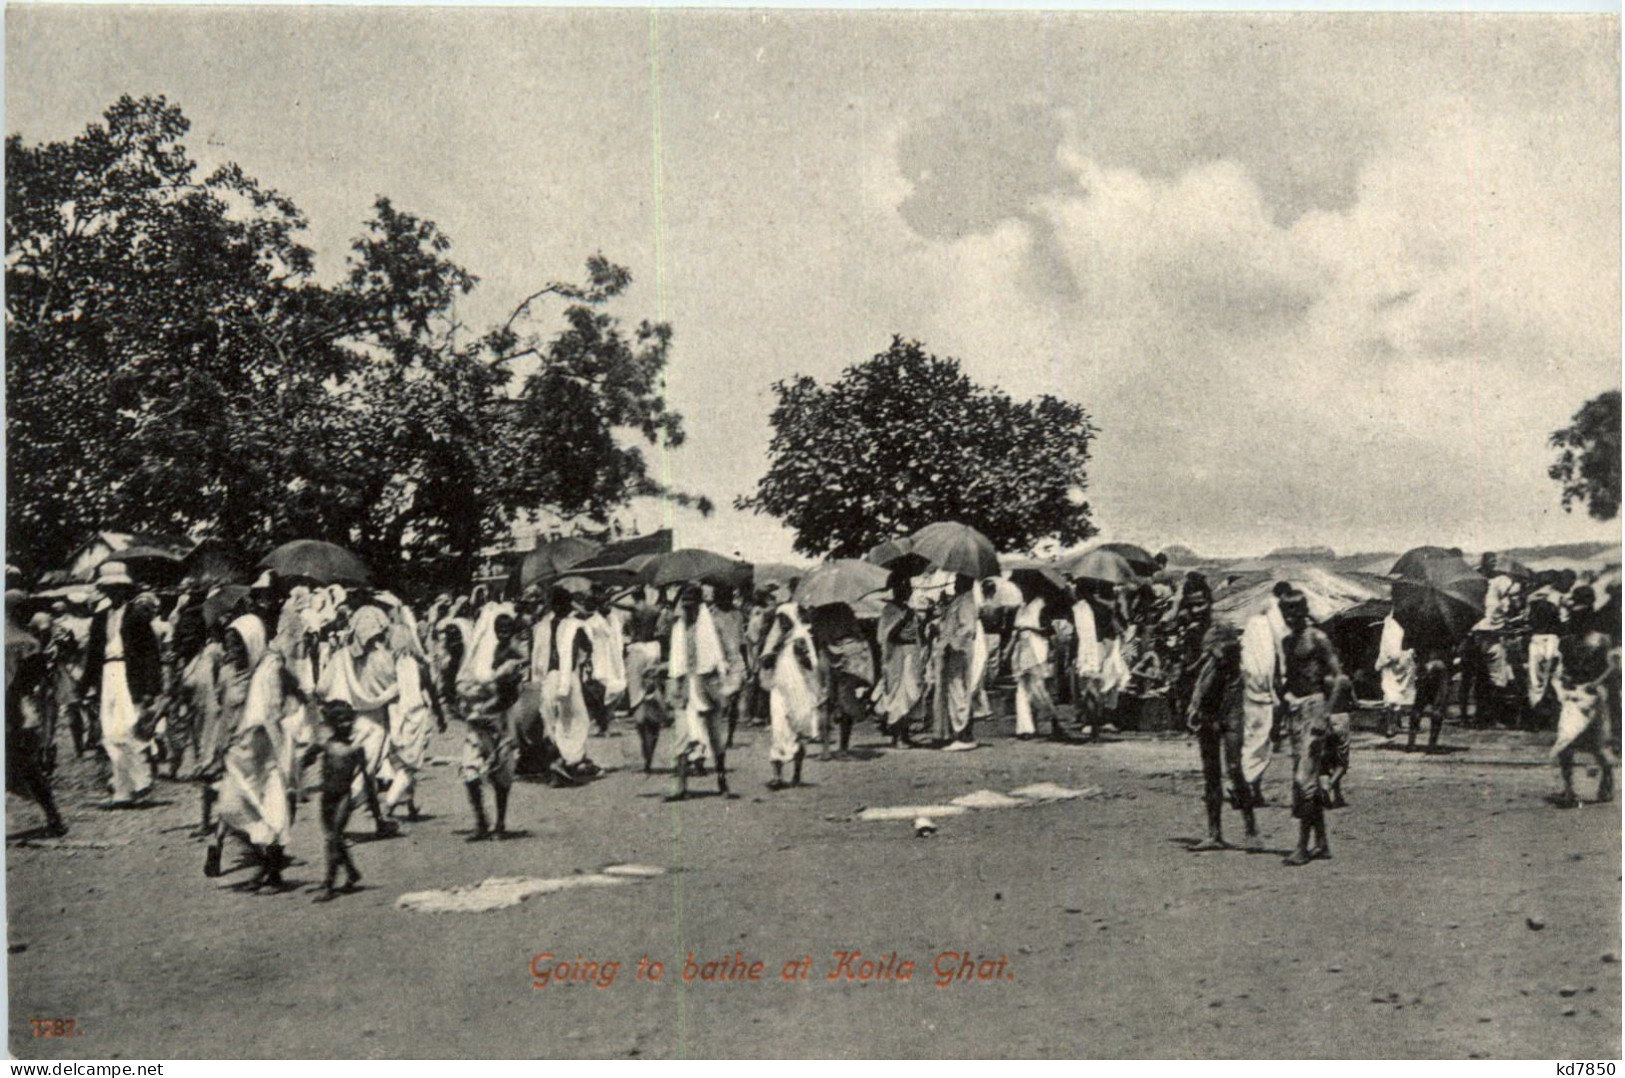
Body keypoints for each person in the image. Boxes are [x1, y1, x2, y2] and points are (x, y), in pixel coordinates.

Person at [81, 561, 163, 805]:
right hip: (108, 674)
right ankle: (122, 789)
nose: (114, 592)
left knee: (130, 727)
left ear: (125, 589)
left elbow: (150, 654)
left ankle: (141, 780)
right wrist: (85, 686)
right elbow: (93, 655)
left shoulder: (137, 617)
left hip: (130, 675)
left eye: (118, 587)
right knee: (109, 732)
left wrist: (151, 688)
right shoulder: (99, 618)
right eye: (110, 588)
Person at [316, 605, 401, 837]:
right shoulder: (381, 657)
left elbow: (322, 687)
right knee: (364, 774)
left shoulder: (341, 657)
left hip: (348, 721)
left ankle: (379, 821)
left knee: (360, 774)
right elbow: (395, 689)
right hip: (374, 722)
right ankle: (337, 825)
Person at [1277, 590, 1344, 867]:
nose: (1290, 616)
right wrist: (1284, 703)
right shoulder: (1287, 641)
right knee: (1308, 780)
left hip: (1315, 708)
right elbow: (1287, 681)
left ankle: (1302, 847)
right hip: (1295, 711)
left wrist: (1325, 715)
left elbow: (1339, 678)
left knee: (1303, 780)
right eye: (1286, 610)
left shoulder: (1317, 638)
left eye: (1295, 609)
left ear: (1304, 610)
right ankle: (1322, 843)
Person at [456, 603, 525, 839]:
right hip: (479, 722)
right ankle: (481, 821)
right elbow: (464, 684)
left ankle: (500, 823)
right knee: (469, 772)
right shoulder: (482, 656)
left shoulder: (514, 655)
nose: (502, 631)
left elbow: (511, 692)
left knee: (501, 776)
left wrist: (488, 694)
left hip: (499, 720)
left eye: (506, 627)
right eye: (498, 627)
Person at [1184, 622, 1254, 849]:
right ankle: (1215, 833)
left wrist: (1213, 649)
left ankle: (1250, 827)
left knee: (1234, 768)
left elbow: (1229, 653)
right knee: (1211, 773)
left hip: (1230, 712)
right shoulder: (1207, 666)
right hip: (1210, 712)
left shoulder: (1231, 654)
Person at [1549, 586, 1617, 808]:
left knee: (1596, 746)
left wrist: (1594, 684)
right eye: (1575, 616)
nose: (1578, 620)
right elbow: (1561, 668)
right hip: (1572, 697)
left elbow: (1611, 668)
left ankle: (1607, 778)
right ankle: (1569, 788)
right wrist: (1565, 680)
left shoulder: (1601, 640)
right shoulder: (1566, 641)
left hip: (1593, 698)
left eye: (1582, 616)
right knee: (1566, 742)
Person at [666, 584, 734, 800]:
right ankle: (680, 786)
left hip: (709, 684)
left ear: (699, 605)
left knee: (715, 736)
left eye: (692, 606)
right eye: (684, 606)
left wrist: (726, 676)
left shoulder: (713, 625)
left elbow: (726, 652)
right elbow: (676, 660)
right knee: (682, 735)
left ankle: (722, 779)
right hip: (686, 686)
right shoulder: (678, 628)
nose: (688, 610)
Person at [7, 593, 67, 836]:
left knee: (22, 765)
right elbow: (31, 681)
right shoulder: (27, 642)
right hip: (17, 707)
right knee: (29, 767)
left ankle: (53, 817)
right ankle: (53, 817)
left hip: (11, 706)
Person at [304, 700, 370, 902]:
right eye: (340, 721)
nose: (345, 725)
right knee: (334, 838)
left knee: (333, 839)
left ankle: (329, 885)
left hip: (343, 797)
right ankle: (351, 872)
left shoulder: (356, 749)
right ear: (331, 723)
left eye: (348, 721)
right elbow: (306, 759)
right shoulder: (326, 745)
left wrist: (374, 809)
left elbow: (366, 777)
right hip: (327, 797)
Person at [531, 588, 595, 784]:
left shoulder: (541, 626)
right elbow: (588, 647)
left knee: (553, 721)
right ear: (568, 605)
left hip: (548, 678)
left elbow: (535, 655)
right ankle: (567, 761)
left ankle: (560, 762)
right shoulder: (575, 625)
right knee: (577, 721)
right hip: (567, 677)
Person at [383, 621, 444, 820]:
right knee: (411, 765)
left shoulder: (388, 666)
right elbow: (432, 692)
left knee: (401, 763)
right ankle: (390, 804)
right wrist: (440, 716)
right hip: (416, 717)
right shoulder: (419, 666)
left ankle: (409, 803)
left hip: (395, 717)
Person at [759, 602, 821, 789]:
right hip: (780, 690)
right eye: (780, 621)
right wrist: (774, 648)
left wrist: (801, 653)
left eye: (785, 620)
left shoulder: (800, 637)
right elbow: (766, 662)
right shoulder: (779, 640)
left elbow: (810, 665)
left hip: (798, 690)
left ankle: (796, 774)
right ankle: (777, 776)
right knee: (778, 730)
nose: (782, 625)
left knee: (798, 731)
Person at [874, 574, 927, 748]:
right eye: (904, 587)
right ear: (896, 590)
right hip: (898, 656)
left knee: (911, 693)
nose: (908, 590)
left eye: (909, 587)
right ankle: (897, 737)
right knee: (900, 696)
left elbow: (917, 633)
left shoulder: (907, 608)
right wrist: (904, 618)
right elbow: (888, 636)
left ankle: (905, 735)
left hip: (911, 654)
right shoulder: (890, 609)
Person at [814, 605, 873, 759]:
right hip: (847, 657)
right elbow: (858, 634)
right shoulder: (846, 610)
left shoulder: (818, 611)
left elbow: (817, 636)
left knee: (825, 703)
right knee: (846, 700)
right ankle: (843, 748)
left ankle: (825, 749)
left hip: (825, 657)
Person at [931, 575, 980, 751]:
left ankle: (962, 733)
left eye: (960, 580)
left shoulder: (967, 601)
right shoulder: (958, 600)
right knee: (952, 691)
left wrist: (953, 646)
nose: (956, 583)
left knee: (957, 691)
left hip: (958, 651)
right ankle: (954, 731)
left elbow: (967, 628)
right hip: (949, 650)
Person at [1010, 595, 1069, 741]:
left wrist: (1030, 628)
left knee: (1038, 689)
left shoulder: (1041, 605)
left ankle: (1054, 720)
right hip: (1022, 649)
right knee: (1022, 689)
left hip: (1037, 649)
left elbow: (1048, 631)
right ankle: (1025, 728)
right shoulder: (1021, 607)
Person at [710, 583, 748, 748]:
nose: (726, 600)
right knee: (720, 701)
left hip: (736, 660)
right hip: (719, 660)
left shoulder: (737, 615)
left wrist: (746, 662)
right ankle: (717, 733)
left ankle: (730, 735)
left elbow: (742, 640)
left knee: (734, 700)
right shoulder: (712, 616)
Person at [1375, 612, 1415, 739]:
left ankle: (1393, 722)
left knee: (1396, 694)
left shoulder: (1393, 622)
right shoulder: (1392, 622)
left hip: (1402, 660)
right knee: (1393, 695)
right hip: (1396, 660)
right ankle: (1391, 723)